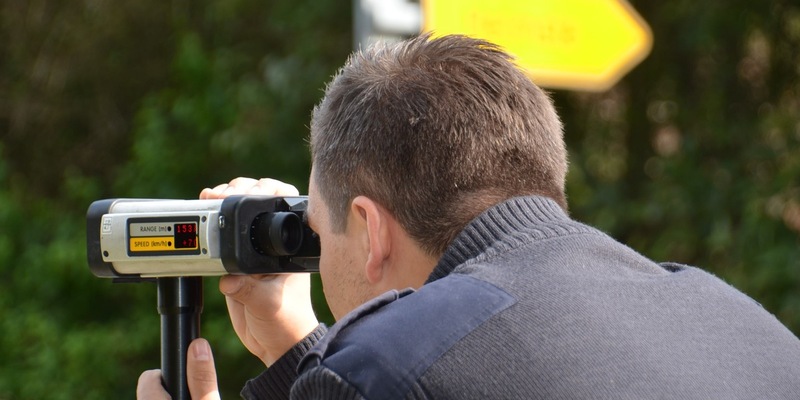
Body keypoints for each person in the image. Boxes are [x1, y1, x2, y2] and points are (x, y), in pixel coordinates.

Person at [137, 34, 800, 400]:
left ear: (369, 230)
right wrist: (295, 349)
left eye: (318, 224)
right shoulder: (746, 327)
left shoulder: (381, 369)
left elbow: (410, 366)